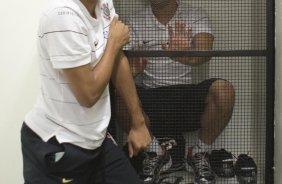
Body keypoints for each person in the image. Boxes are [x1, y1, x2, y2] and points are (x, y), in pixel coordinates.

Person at [20, 0, 152, 183]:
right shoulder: (62, 16)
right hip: (59, 143)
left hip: (96, 141)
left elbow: (117, 59)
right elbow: (88, 95)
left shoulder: (104, 3)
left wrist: (138, 122)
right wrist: (113, 43)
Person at [117, 0, 236, 183]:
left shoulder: (195, 15)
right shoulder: (134, 21)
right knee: (119, 97)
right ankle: (155, 153)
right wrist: (133, 71)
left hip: (186, 98)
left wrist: (185, 56)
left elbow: (205, 52)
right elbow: (125, 71)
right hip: (150, 99)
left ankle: (197, 153)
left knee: (224, 90)